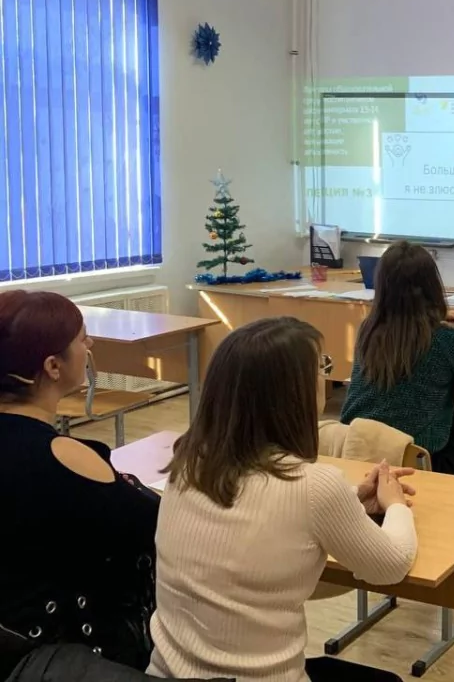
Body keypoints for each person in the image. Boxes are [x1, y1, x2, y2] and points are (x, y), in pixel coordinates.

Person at [149, 317, 417, 682]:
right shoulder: (313, 487)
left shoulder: (188, 462)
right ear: (293, 394)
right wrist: (395, 503)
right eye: (321, 367)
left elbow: (261, 527)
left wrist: (352, 499)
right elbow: (391, 566)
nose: (325, 378)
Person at [0, 291, 160, 671]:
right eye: (82, 339)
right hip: (62, 652)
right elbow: (154, 526)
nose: (89, 346)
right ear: (53, 366)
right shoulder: (61, 456)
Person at [342, 241, 454, 482]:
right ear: (432, 286)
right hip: (416, 460)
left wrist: (432, 317)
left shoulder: (368, 329)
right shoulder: (446, 338)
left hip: (358, 451)